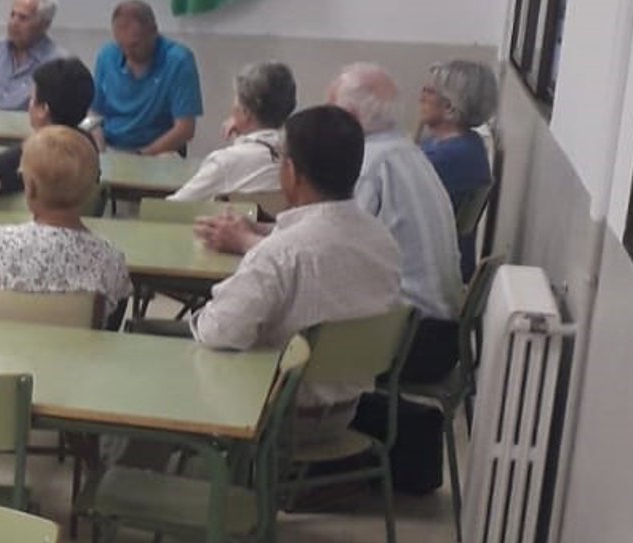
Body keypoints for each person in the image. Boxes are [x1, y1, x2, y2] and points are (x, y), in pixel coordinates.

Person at [190, 106, 404, 427]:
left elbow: (218, 332)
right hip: (348, 416)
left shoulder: (281, 253)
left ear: (291, 171)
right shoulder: (383, 240)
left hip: (273, 421)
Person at [328, 64, 463, 379]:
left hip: (408, 340)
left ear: (349, 116)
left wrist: (250, 243)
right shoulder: (408, 151)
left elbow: (331, 253)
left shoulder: (367, 166)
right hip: (439, 331)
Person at [0, 125, 132, 322]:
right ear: (92, 191)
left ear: (30, 188)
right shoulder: (109, 260)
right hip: (71, 343)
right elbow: (113, 313)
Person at [0, 55, 95, 199]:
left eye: (32, 99)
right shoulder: (88, 145)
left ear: (43, 110)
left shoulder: (40, 151)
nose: (29, 105)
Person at [167, 61, 297, 207]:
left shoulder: (224, 163)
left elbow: (172, 207)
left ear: (245, 112)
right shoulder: (299, 157)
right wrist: (242, 132)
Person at [87, 0, 202, 156]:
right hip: (111, 147)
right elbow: (94, 113)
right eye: (121, 45)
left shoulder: (178, 61)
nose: (128, 53)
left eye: (135, 45)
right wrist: (100, 151)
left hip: (160, 151)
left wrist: (142, 155)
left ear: (153, 32)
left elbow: (185, 129)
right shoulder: (107, 55)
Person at [418, 58, 497, 274]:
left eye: (429, 91)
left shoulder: (448, 156)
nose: (421, 97)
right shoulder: (470, 143)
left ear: (450, 108)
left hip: (431, 271)